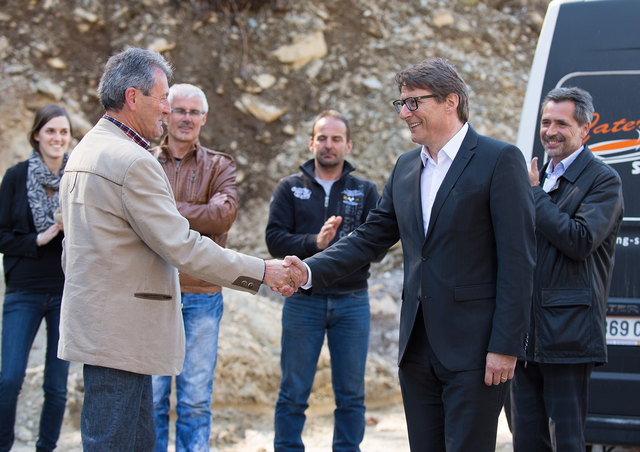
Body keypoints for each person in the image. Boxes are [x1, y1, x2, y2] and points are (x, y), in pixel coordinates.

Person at [285, 57, 536, 451]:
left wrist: (506, 345)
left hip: (476, 351)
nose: (404, 113)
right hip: (417, 349)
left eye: (413, 103)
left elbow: (518, 260)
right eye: (401, 104)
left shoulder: (499, 160)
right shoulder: (405, 167)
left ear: (450, 101)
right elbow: (370, 237)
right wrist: (308, 271)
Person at [57, 47, 301, 451]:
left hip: (105, 330)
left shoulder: (85, 149)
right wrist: (262, 271)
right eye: (163, 97)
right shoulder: (133, 162)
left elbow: (73, 250)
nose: (168, 109)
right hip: (122, 335)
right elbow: (183, 247)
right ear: (134, 98)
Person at [510, 87, 623, 452]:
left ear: (585, 130)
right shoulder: (535, 177)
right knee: (526, 442)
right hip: (524, 338)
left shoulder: (603, 180)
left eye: (562, 123)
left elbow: (579, 240)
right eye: (546, 122)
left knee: (567, 443)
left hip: (569, 335)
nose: (551, 131)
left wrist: (534, 196)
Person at [266, 110, 380, 451]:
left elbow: (377, 246)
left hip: (353, 301)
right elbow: (274, 239)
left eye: (335, 139)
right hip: (303, 303)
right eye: (322, 138)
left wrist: (340, 253)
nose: (328, 145)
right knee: (294, 391)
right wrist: (314, 244)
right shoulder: (289, 188)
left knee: (351, 394)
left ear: (348, 145)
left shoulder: (365, 190)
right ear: (311, 142)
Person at [150, 83, 238, 452]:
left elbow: (223, 217)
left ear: (203, 118)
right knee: (152, 399)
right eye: (180, 110)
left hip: (202, 294)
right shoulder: (144, 159)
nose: (186, 118)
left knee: (195, 400)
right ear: (166, 113)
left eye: (194, 112)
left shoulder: (220, 164)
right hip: (151, 292)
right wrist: (193, 213)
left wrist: (163, 213)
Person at [0, 105, 72, 452]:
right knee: (9, 378)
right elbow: (0, 235)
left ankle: (47, 448)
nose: (58, 138)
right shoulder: (15, 177)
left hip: (66, 290)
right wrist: (38, 239)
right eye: (51, 132)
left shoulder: (78, 178)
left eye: (64, 132)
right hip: (23, 290)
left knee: (57, 386)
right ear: (36, 136)